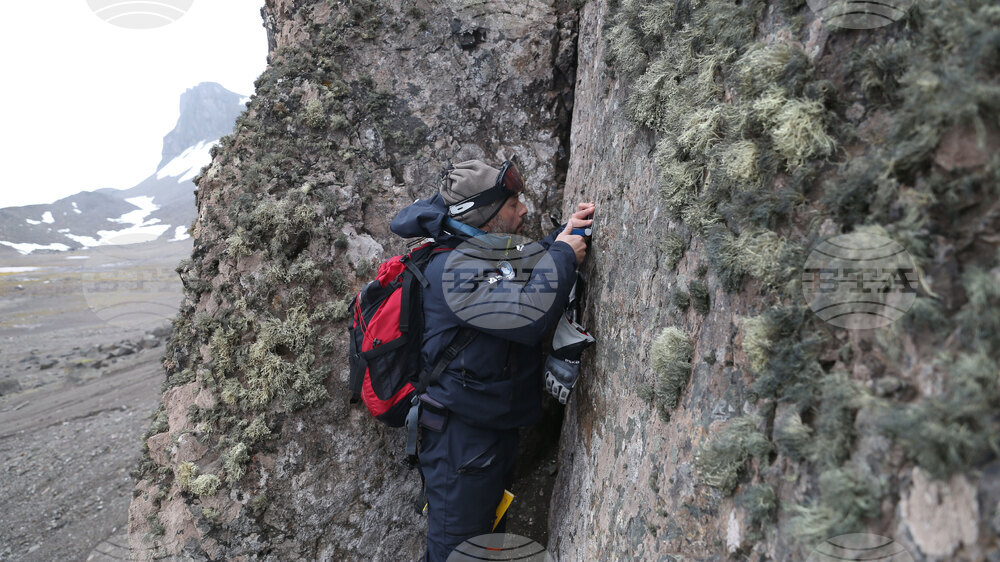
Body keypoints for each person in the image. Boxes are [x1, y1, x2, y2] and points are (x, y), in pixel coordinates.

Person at [389, 159, 594, 561]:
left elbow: (520, 268)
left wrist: (561, 240)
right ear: (483, 215)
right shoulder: (452, 269)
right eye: (512, 202)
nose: (524, 210)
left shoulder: (476, 253)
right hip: (460, 448)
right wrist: (565, 257)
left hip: (485, 438)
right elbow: (527, 315)